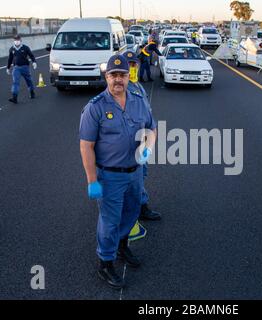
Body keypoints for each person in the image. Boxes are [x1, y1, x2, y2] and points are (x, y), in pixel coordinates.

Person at [79, 54, 157, 289]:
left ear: (127, 76)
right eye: (113, 75)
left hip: (134, 173)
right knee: (110, 221)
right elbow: (86, 145)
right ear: (106, 77)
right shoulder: (95, 107)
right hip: (110, 175)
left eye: (122, 74)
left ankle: (122, 248)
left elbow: (151, 127)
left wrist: (147, 147)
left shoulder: (137, 99)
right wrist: (92, 179)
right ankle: (105, 262)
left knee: (131, 213)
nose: (118, 80)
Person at [123, 50, 162, 222]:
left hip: (143, 139)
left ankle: (137, 204)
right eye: (129, 65)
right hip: (130, 142)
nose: (132, 68)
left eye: (134, 65)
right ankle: (138, 207)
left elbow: (146, 113)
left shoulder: (137, 85)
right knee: (134, 176)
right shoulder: (123, 88)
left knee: (141, 174)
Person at [6, 35, 37, 104]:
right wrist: (8, 68)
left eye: (18, 40)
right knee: (15, 82)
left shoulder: (25, 48)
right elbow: (10, 59)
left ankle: (32, 93)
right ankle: (14, 97)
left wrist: (34, 62)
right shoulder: (12, 49)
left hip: (25, 67)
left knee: (29, 81)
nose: (16, 41)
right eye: (15, 40)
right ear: (13, 41)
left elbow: (31, 55)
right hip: (16, 68)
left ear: (20, 40)